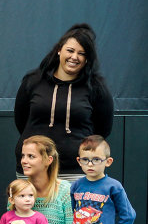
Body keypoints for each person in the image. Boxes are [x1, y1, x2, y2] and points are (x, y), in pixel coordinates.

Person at [14, 23, 114, 180]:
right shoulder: (33, 82)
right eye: (70, 50)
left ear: (87, 59)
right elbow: (21, 121)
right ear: (59, 50)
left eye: (82, 53)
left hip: (75, 172)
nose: (74, 57)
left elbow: (103, 129)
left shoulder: (96, 88)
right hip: (33, 170)